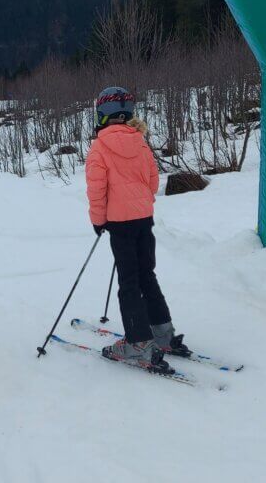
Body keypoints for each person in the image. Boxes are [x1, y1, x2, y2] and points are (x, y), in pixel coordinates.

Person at [85, 86, 189, 373]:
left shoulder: (100, 147)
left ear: (103, 114)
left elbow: (97, 190)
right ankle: (162, 335)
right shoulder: (140, 142)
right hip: (144, 220)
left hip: (120, 224)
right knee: (147, 276)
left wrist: (98, 220)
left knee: (129, 282)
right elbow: (153, 182)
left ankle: (139, 344)